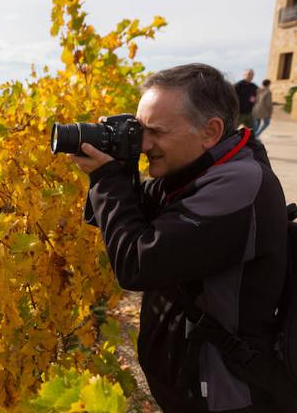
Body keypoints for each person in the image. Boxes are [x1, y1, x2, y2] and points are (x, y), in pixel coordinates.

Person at [70, 63, 287, 412]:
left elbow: (137, 262)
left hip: (226, 396)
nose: (144, 144)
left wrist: (109, 179)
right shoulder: (199, 172)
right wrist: (117, 169)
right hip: (194, 387)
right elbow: (124, 216)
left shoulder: (238, 185)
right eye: (139, 130)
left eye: (155, 132)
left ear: (210, 132)